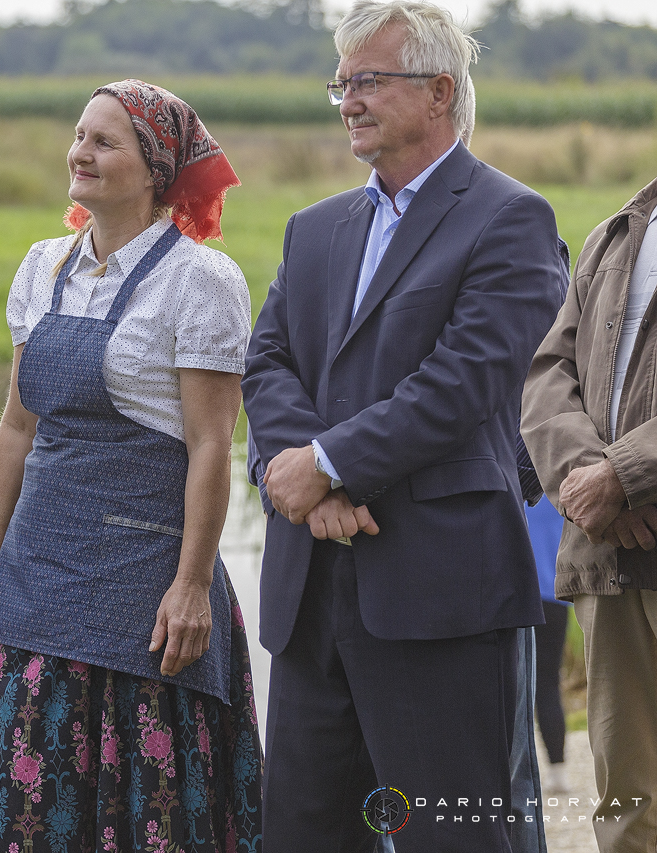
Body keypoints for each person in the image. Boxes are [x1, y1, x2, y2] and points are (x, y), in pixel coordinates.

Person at [240, 0, 566, 849]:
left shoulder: (509, 218)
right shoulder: (313, 230)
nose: (348, 99)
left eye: (369, 81)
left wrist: (332, 461)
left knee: (452, 837)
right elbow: (267, 360)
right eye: (340, 84)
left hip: (440, 592)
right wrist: (303, 475)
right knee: (307, 834)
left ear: (438, 92)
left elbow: (466, 383)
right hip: (312, 593)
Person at [0, 80, 262, 852]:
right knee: (38, 803)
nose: (80, 152)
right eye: (78, 135)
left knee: (146, 809)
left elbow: (211, 445)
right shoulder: (41, 267)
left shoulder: (199, 280)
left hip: (147, 587)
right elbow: (16, 428)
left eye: (105, 141)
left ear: (156, 168)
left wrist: (192, 583)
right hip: (42, 572)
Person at [521, 174, 657, 852]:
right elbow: (547, 374)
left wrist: (626, 474)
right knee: (627, 801)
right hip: (608, 555)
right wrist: (585, 476)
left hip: (628, 513)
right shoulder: (614, 233)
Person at [524, 497, 572, 795]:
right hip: (554, 594)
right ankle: (558, 770)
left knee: (513, 688)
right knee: (548, 684)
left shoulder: (513, 481)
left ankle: (519, 772)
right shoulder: (558, 491)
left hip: (517, 594)